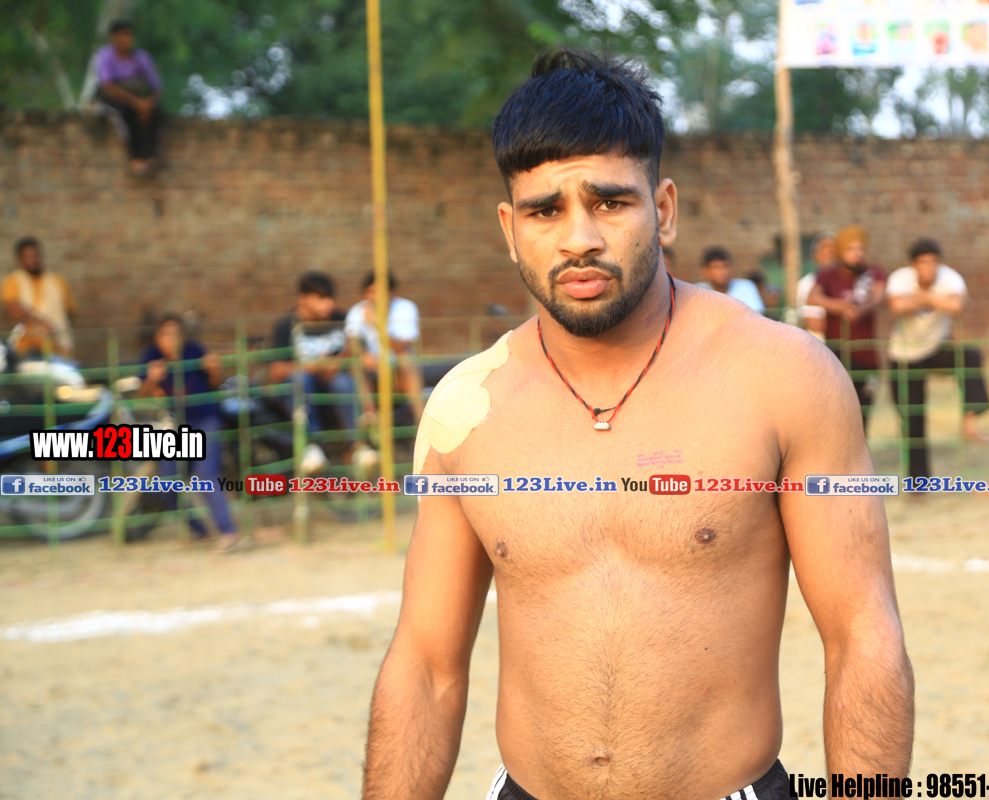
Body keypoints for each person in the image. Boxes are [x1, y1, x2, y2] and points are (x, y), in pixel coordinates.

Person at [362, 48, 913, 800]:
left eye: (610, 203)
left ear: (665, 209)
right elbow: (426, 666)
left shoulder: (784, 377)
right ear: (510, 228)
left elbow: (862, 636)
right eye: (545, 211)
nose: (579, 238)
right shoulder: (466, 410)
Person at [886, 239, 989, 483]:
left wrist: (921, 297)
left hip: (935, 349)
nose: (929, 268)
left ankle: (970, 422)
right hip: (904, 356)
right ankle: (918, 483)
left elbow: (956, 304)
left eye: (933, 262)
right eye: (923, 263)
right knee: (913, 421)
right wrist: (936, 299)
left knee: (970, 356)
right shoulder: (900, 278)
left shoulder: (950, 277)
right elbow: (897, 305)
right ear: (913, 265)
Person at [139, 314, 245, 551]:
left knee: (204, 473)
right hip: (176, 426)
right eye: (166, 335)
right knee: (165, 484)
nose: (171, 340)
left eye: (176, 334)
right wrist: (152, 380)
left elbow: (215, 383)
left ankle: (229, 532)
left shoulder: (194, 351)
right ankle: (200, 531)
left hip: (205, 419)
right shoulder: (151, 357)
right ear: (157, 338)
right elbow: (141, 395)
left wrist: (214, 370)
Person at [270, 271, 357, 475]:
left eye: (330, 298)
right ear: (303, 298)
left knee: (344, 382)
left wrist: (339, 362)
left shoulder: (340, 319)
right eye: (321, 298)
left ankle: (357, 445)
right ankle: (311, 445)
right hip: (301, 392)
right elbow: (276, 371)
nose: (329, 304)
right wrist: (314, 366)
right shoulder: (286, 326)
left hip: (334, 388)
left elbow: (355, 354)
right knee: (300, 379)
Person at [808, 225, 888, 430]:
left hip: (867, 357)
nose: (857, 253)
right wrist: (841, 307)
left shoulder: (874, 273)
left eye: (860, 248)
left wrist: (861, 309)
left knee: (863, 416)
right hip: (837, 356)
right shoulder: (828, 275)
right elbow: (813, 297)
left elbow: (879, 296)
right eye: (851, 249)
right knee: (837, 416)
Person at [344, 270, 424, 433]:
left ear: (391, 293)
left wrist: (377, 325)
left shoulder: (405, 308)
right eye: (370, 292)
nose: (374, 297)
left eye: (378, 292)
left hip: (398, 374)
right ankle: (370, 415)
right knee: (357, 363)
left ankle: (420, 417)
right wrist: (363, 354)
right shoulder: (357, 311)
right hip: (371, 374)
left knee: (405, 358)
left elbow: (402, 348)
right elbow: (350, 347)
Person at [95, 20, 164, 177]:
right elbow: (108, 85)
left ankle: (149, 157)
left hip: (142, 100)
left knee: (157, 115)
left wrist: (148, 104)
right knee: (125, 115)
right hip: (117, 99)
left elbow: (156, 85)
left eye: (129, 34)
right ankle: (134, 158)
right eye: (123, 34)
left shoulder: (141, 57)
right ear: (114, 37)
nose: (127, 38)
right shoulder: (105, 56)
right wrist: (136, 103)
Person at [2, 237, 76, 360]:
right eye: (28, 257)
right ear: (19, 259)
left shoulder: (57, 280)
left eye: (35, 256)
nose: (34, 260)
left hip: (58, 349)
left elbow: (70, 312)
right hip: (26, 350)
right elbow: (13, 305)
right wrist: (41, 321)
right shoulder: (13, 281)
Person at [696, 246, 766, 312]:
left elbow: (756, 315)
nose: (723, 272)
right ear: (706, 271)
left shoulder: (746, 286)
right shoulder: (698, 292)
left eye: (726, 266)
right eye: (717, 267)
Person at [798, 231, 836, 339]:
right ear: (815, 255)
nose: (829, 251)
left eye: (833, 247)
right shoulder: (806, 284)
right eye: (825, 247)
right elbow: (814, 325)